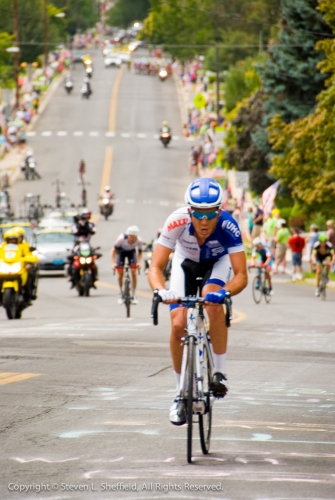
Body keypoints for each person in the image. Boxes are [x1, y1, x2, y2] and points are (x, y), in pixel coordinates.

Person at [148, 178, 248, 425]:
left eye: (211, 213)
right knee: (177, 324)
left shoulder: (229, 225)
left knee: (212, 305)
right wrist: (161, 290)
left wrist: (224, 293)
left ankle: (219, 373)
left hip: (217, 262)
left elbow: (242, 275)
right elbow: (156, 267)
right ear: (189, 210)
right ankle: (179, 394)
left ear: (220, 210)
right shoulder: (176, 221)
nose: (204, 220)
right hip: (185, 262)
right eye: (199, 213)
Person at [111, 226, 143, 305]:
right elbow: (113, 251)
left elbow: (140, 252)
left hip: (131, 252)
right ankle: (121, 293)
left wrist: (138, 262)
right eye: (130, 236)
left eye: (134, 237)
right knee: (120, 273)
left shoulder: (139, 241)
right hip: (120, 252)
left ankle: (134, 294)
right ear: (127, 235)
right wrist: (114, 263)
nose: (132, 238)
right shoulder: (121, 239)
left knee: (134, 272)